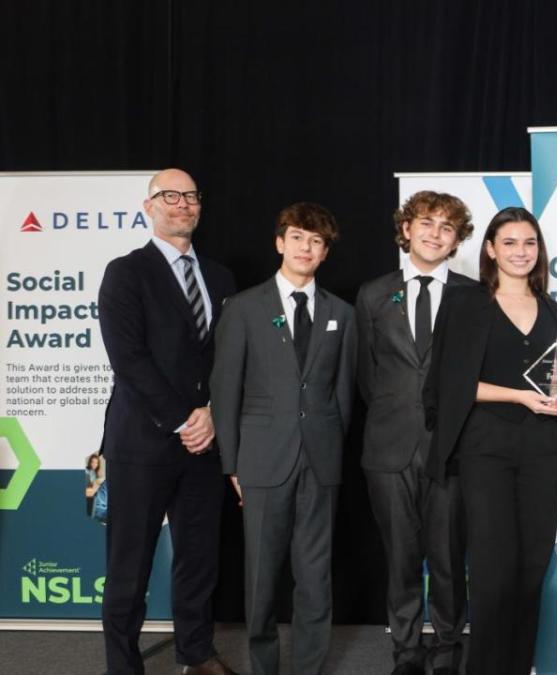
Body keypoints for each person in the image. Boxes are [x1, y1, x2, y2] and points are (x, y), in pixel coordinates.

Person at [424, 206, 557, 675]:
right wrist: (521, 397)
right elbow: (450, 385)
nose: (520, 252)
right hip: (484, 449)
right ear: (490, 249)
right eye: (509, 242)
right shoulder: (466, 304)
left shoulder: (552, 308)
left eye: (529, 243)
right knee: (493, 572)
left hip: (543, 450)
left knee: (532, 570)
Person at [97, 168, 238, 675]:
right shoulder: (125, 272)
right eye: (170, 195)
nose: (182, 203)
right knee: (129, 565)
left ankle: (196, 655)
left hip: (207, 443)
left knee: (199, 559)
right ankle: (123, 665)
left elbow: (231, 359)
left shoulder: (221, 278)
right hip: (143, 443)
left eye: (191, 196)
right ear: (149, 205)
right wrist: (184, 419)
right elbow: (129, 359)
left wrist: (215, 415)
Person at [210, 203, 356, 675]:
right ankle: (263, 665)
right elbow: (225, 388)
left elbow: (344, 393)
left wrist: (333, 451)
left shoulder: (342, 314)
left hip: (321, 461)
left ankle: (310, 667)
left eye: (316, 241)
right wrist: (231, 463)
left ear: (325, 251)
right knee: (261, 576)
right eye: (297, 237)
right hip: (261, 460)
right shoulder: (244, 308)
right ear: (279, 243)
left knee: (315, 576)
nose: (306, 247)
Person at [355, 191, 476, 675]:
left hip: (452, 449)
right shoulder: (373, 293)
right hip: (388, 448)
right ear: (406, 229)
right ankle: (405, 652)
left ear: (456, 241)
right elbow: (366, 374)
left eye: (447, 228)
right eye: (426, 222)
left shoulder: (473, 294)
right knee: (401, 558)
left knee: (448, 557)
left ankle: (448, 649)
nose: (434, 233)